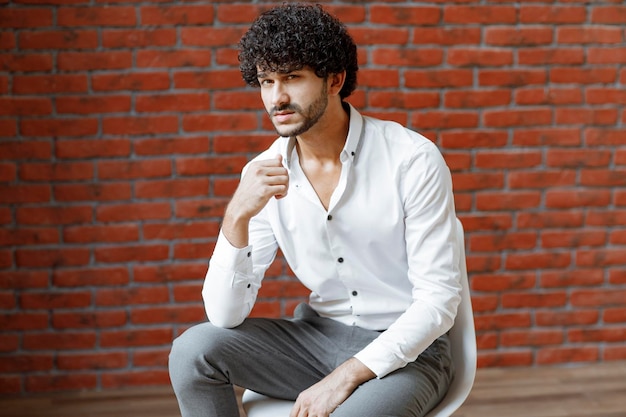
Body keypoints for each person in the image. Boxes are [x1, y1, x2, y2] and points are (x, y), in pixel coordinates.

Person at [168, 3, 462, 417]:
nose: (277, 97)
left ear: (334, 80)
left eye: (292, 78)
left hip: (408, 352)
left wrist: (345, 376)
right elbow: (224, 315)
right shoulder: (263, 174)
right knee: (192, 352)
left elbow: (439, 301)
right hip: (314, 339)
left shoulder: (411, 159)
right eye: (266, 81)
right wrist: (236, 217)